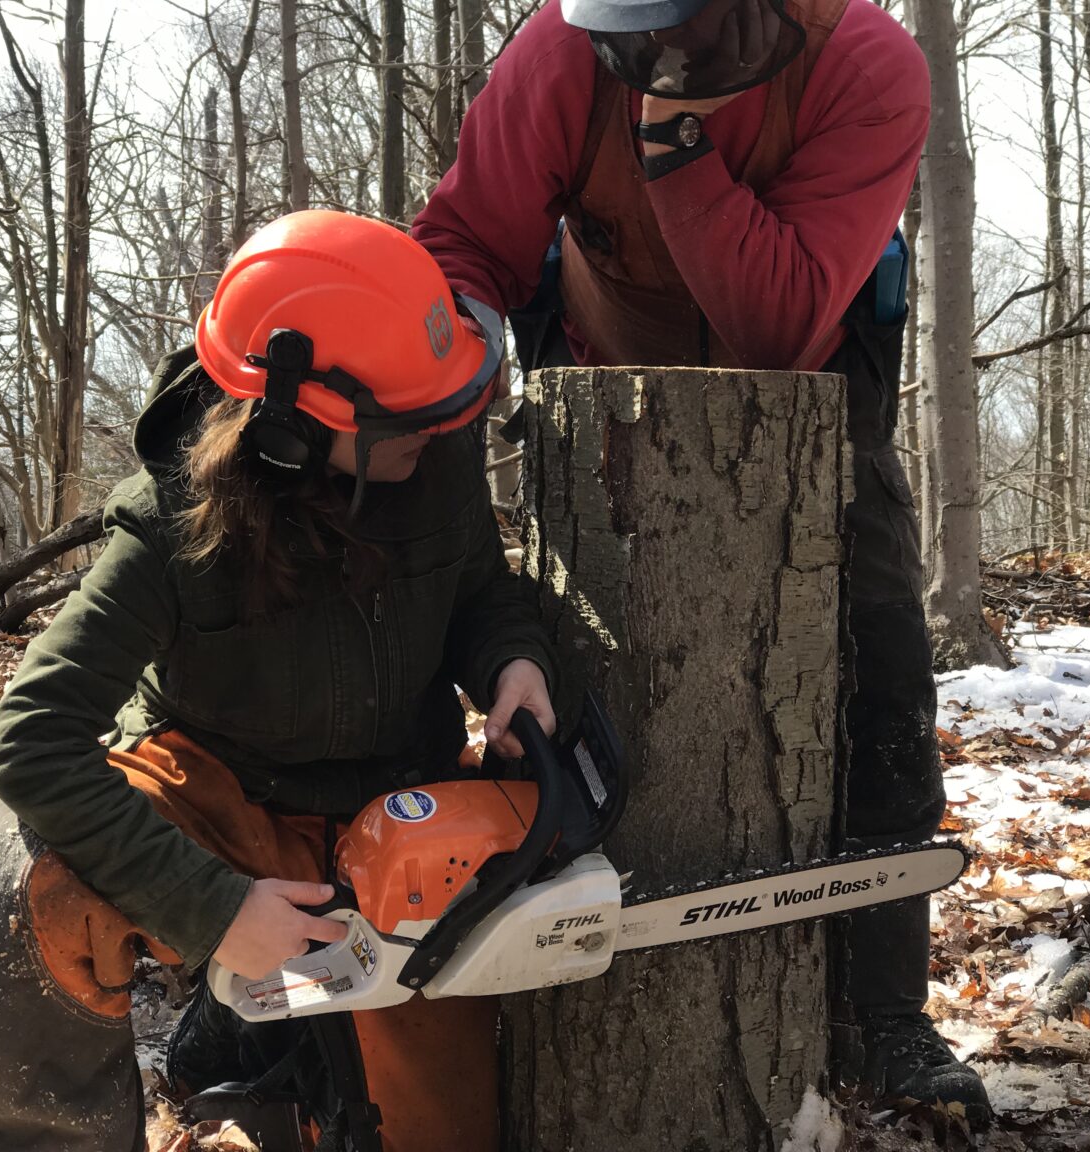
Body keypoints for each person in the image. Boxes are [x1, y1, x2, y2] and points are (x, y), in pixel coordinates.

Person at [411, 0, 991, 1126]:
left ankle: (883, 1013)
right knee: (562, 682)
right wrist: (459, 345)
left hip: (814, 395)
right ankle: (546, 948)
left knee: (884, 691)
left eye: (677, 33)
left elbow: (778, 324)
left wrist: (674, 143)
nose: (649, 56)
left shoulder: (863, 64)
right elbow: (464, 236)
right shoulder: (560, 54)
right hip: (601, 395)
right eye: (631, 36)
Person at [0, 209, 557, 1152]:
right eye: (410, 418)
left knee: (436, 1129)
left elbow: (481, 592)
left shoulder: (435, 453)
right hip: (221, 799)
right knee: (41, 883)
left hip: (401, 810)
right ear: (293, 428)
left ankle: (240, 1040)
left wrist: (513, 658)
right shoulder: (173, 528)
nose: (439, 428)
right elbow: (28, 740)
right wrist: (211, 908)